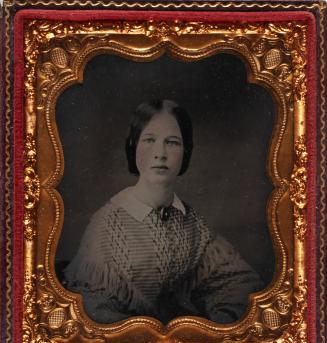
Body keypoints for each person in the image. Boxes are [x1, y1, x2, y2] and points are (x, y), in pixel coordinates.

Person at [64, 99, 263, 324]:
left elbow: (236, 281)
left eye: (172, 142)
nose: (160, 153)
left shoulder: (192, 222)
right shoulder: (105, 226)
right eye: (149, 140)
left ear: (185, 151)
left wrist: (217, 325)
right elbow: (94, 310)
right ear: (134, 146)